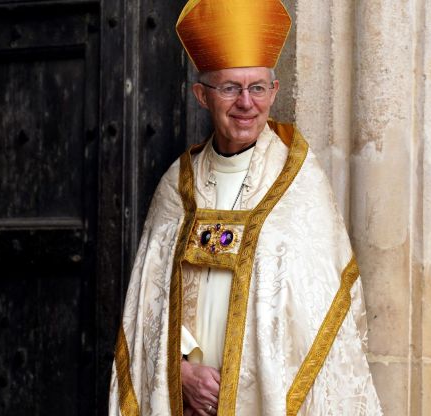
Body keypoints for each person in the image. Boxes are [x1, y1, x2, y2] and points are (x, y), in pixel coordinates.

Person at [107, 0, 381, 414]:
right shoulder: (176, 187)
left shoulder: (299, 183)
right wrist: (180, 370)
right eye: (230, 88)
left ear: (273, 92)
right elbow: (150, 303)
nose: (246, 103)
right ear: (202, 95)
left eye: (257, 88)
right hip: (191, 401)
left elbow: (322, 313)